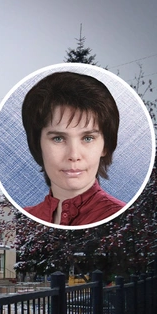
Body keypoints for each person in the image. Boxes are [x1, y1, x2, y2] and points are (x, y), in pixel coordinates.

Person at [21, 71, 126, 226]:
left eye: (88, 138)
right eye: (58, 138)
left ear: (105, 145)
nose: (74, 155)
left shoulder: (123, 219)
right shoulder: (24, 219)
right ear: (38, 144)